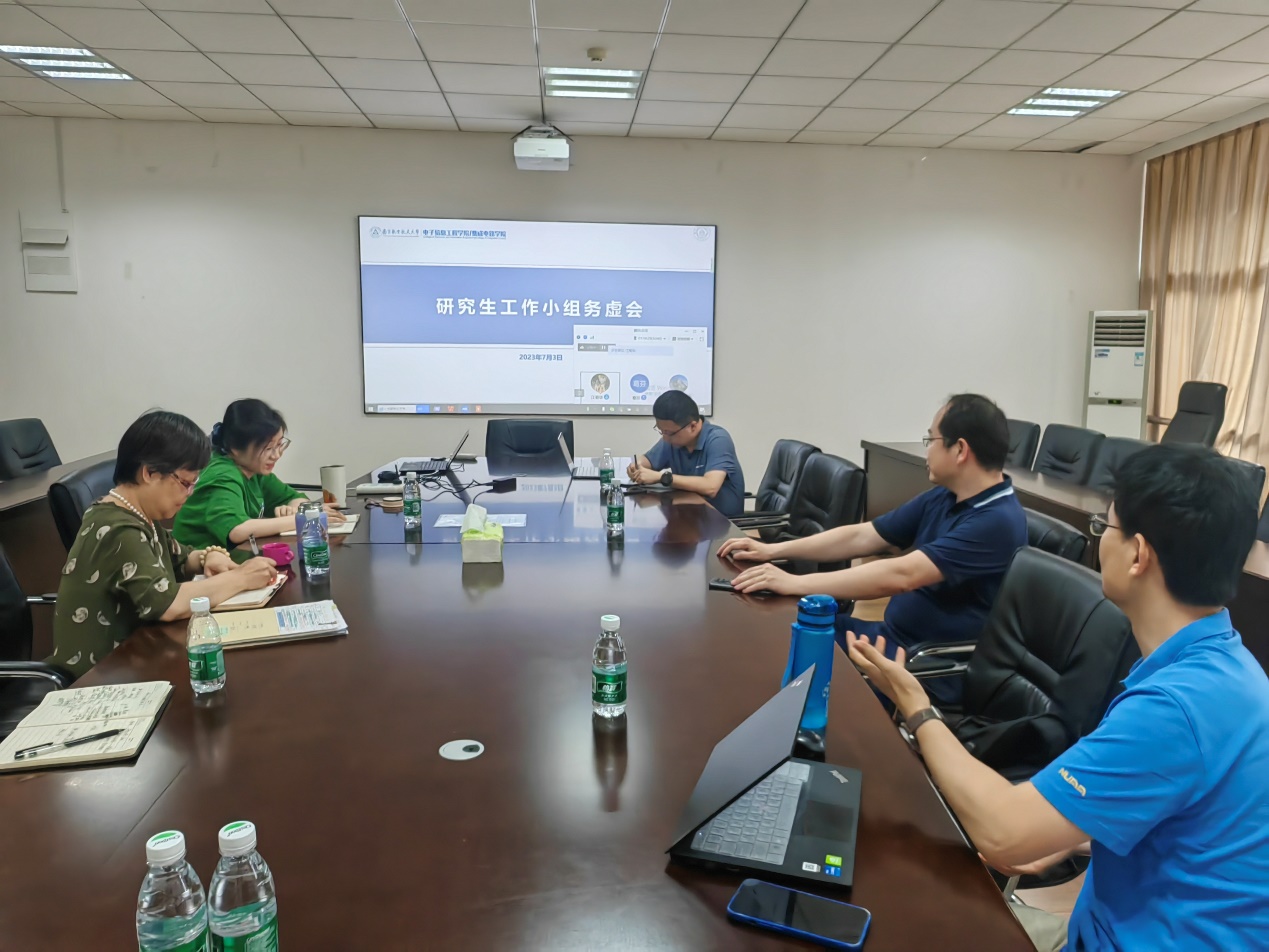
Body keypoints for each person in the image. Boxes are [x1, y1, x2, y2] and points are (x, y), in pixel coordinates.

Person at [847, 444, 1269, 951]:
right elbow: (1196, 826)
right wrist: (1081, 834)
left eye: (1104, 526)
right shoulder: (1229, 669)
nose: (1099, 540)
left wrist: (917, 707)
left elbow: (1003, 833)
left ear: (1138, 555)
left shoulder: (1175, 708)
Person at [718, 393, 1026, 699]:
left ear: (959, 450)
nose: (927, 450)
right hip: (891, 640)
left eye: (930, 440)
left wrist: (794, 583)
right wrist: (773, 551)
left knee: (785, 661)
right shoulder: (947, 496)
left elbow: (902, 575)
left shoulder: (996, 521)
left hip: (927, 664)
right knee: (783, 633)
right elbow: (863, 536)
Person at [51, 411, 279, 679]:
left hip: (134, 659)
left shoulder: (138, 515)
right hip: (98, 678)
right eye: (185, 483)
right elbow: (165, 603)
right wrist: (241, 578)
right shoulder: (117, 528)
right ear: (149, 473)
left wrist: (208, 557)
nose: (189, 493)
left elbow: (181, 557)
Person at [173, 398, 344, 549]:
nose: (276, 455)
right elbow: (236, 531)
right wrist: (302, 518)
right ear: (235, 448)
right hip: (200, 569)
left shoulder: (254, 471)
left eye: (279, 445)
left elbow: (296, 498)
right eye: (268, 448)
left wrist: (293, 509)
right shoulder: (222, 475)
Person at [626, 390, 745, 518]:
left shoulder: (718, 440)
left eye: (668, 432)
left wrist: (662, 477)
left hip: (721, 521)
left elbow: (711, 487)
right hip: (689, 516)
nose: (665, 438)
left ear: (692, 426)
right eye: (661, 431)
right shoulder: (672, 440)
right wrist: (637, 467)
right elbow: (647, 461)